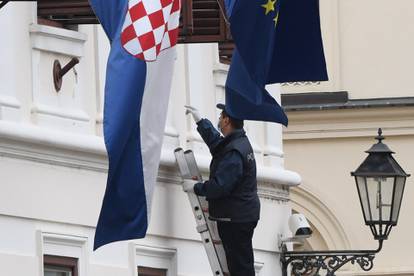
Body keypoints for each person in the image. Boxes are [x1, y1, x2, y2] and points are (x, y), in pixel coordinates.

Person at [185, 104, 260, 276]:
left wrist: (196, 187)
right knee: (240, 262)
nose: (219, 121)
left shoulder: (234, 151)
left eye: (220, 117)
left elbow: (220, 186)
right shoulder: (237, 142)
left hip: (236, 218)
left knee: (239, 267)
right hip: (241, 214)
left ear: (226, 120)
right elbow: (217, 144)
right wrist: (200, 121)